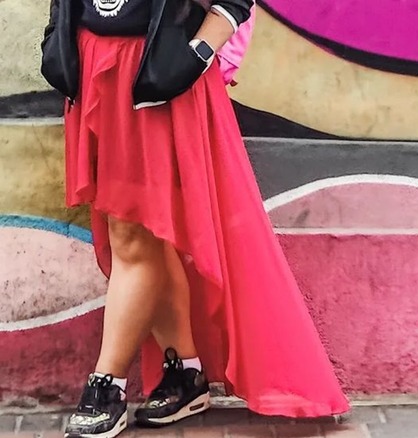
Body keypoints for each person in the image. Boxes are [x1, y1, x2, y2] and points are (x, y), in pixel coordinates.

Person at [40, 1, 351, 437]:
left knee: (131, 235)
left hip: (155, 78)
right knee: (145, 233)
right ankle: (184, 375)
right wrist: (58, 30)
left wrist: (197, 53)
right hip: (94, 70)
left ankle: (105, 384)